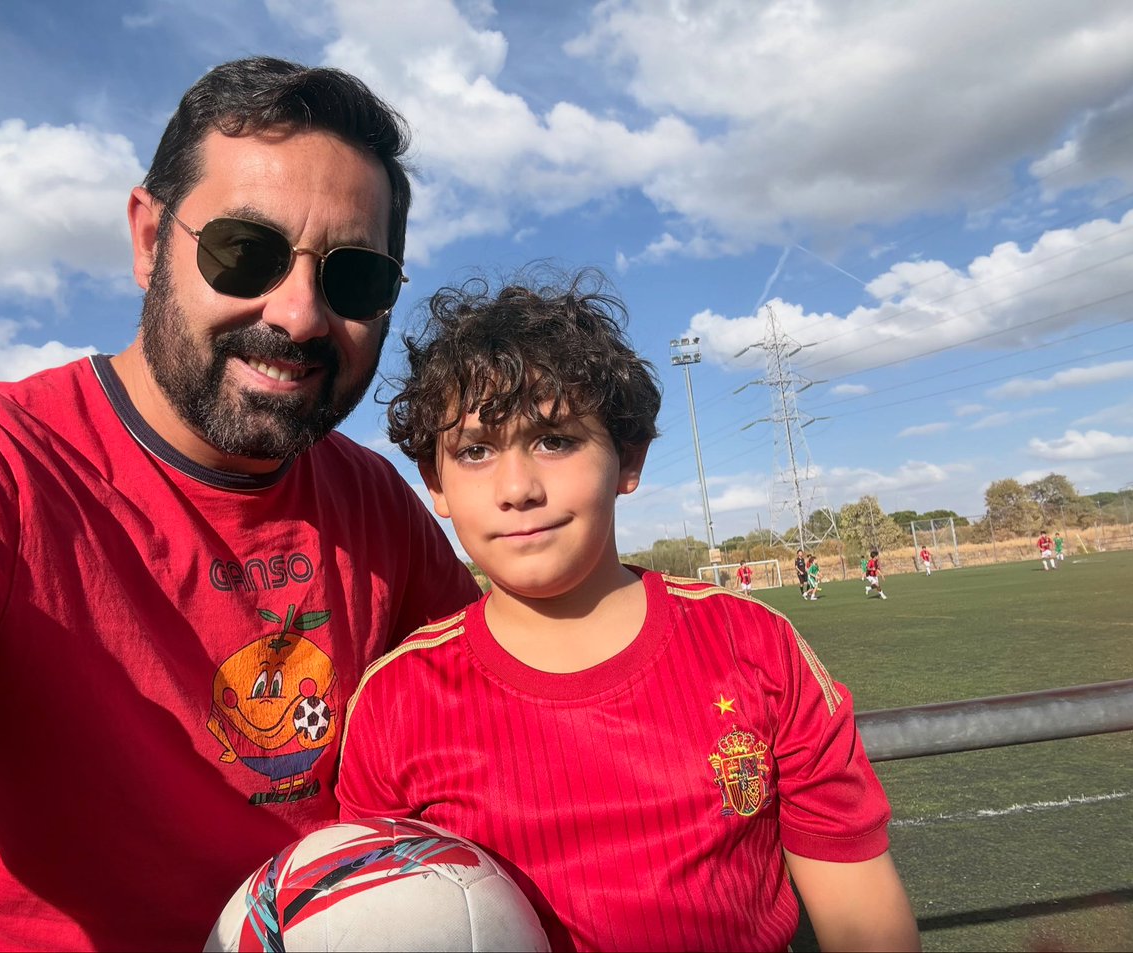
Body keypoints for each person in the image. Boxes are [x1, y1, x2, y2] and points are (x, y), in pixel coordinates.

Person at [0, 57, 480, 952]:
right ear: (148, 238)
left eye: (354, 279)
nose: (299, 313)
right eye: (247, 251)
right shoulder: (1, 461)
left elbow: (507, 707)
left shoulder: (375, 504)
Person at [337, 272, 921, 953]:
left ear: (629, 458)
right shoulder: (394, 700)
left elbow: (865, 920)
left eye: (555, 439)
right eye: (475, 451)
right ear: (435, 484)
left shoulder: (755, 645)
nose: (517, 488)